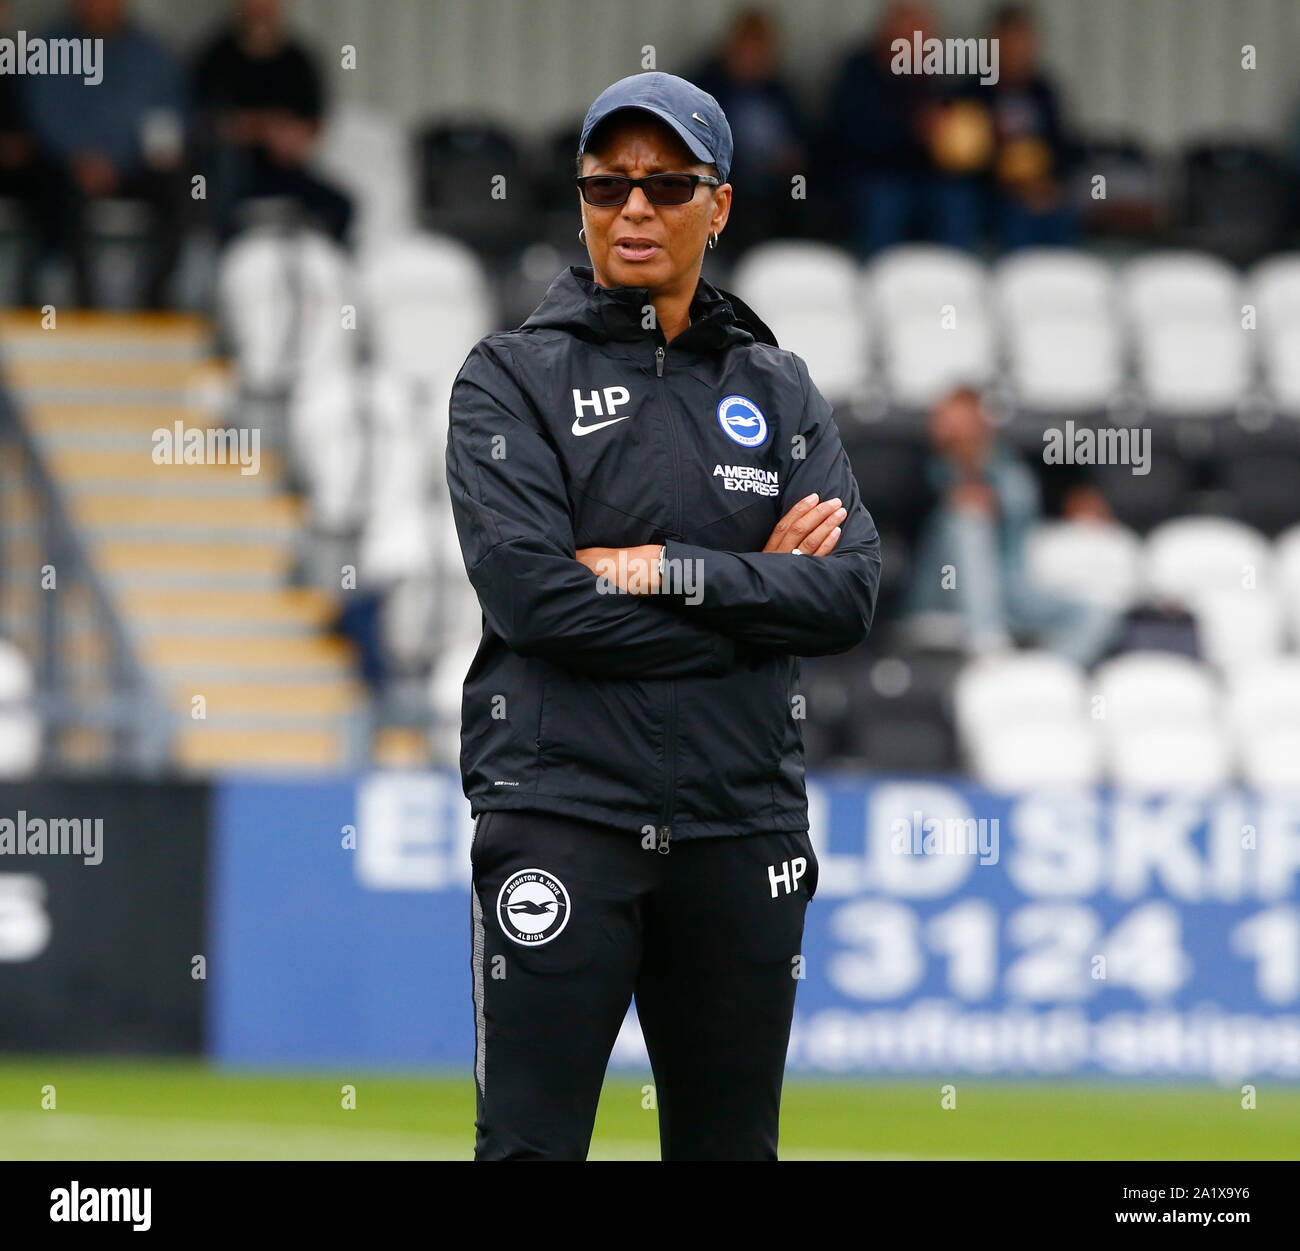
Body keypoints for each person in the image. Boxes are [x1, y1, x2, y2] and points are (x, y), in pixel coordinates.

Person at [445, 72, 881, 1161]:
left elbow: (845, 593)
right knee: (529, 1152)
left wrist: (663, 569)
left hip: (742, 826)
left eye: (666, 184)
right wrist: (751, 592)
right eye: (607, 186)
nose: (632, 209)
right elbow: (537, 600)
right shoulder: (507, 378)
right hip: (564, 813)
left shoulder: (776, 385)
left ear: (718, 205)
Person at [904, 386, 1116, 665]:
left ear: (983, 424)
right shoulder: (915, 469)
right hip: (940, 590)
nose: (953, 433)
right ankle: (986, 641)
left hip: (1010, 589)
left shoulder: (1011, 468)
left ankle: (1045, 678)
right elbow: (899, 517)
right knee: (968, 522)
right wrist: (954, 493)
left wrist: (1078, 499)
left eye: (963, 424)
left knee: (1097, 614)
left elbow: (1054, 495)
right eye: (945, 424)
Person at [22, 0, 189, 306]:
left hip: (136, 168)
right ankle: (82, 300)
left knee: (185, 191)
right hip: (71, 169)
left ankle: (155, 298)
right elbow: (43, 115)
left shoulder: (151, 53)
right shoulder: (50, 48)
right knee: (46, 190)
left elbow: (171, 114)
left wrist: (133, 158)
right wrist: (78, 157)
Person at [826, 1, 986, 254]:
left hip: (926, 180)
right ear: (888, 32)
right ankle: (876, 281)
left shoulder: (933, 77)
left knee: (957, 199)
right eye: (911, 29)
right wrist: (913, 128)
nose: (919, 38)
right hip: (872, 178)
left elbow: (954, 134)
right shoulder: (859, 71)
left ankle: (956, 281)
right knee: (885, 201)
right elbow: (852, 134)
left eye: (924, 30)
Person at [192, 0, 352, 244]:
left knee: (343, 207)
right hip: (232, 174)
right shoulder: (216, 57)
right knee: (204, 203)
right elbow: (207, 124)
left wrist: (284, 135)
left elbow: (311, 129)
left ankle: (326, 274)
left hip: (286, 171)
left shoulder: (299, 61)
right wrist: (268, 128)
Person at [691, 8, 811, 253]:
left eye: (761, 51)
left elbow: (804, 140)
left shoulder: (781, 92)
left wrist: (792, 159)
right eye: (747, 50)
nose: (754, 58)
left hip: (775, 188)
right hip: (728, 185)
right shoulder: (704, 89)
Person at [983, 4, 1077, 249]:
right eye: (1009, 42)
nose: (1017, 51)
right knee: (1016, 217)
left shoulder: (1044, 91)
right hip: (993, 191)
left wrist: (1050, 185)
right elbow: (963, 155)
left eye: (1023, 42)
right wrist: (1011, 183)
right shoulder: (974, 91)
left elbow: (1064, 147)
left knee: (1062, 210)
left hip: (1041, 190)